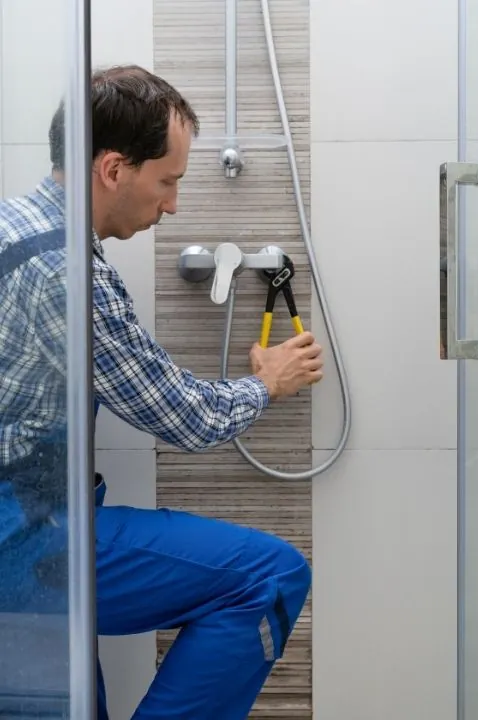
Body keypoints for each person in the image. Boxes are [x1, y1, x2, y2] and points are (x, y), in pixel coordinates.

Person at [0, 65, 321, 719]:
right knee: (269, 575)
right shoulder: (63, 272)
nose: (173, 205)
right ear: (114, 170)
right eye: (168, 180)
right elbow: (185, 418)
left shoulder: (14, 224)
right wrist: (267, 383)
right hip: (24, 542)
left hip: (29, 518)